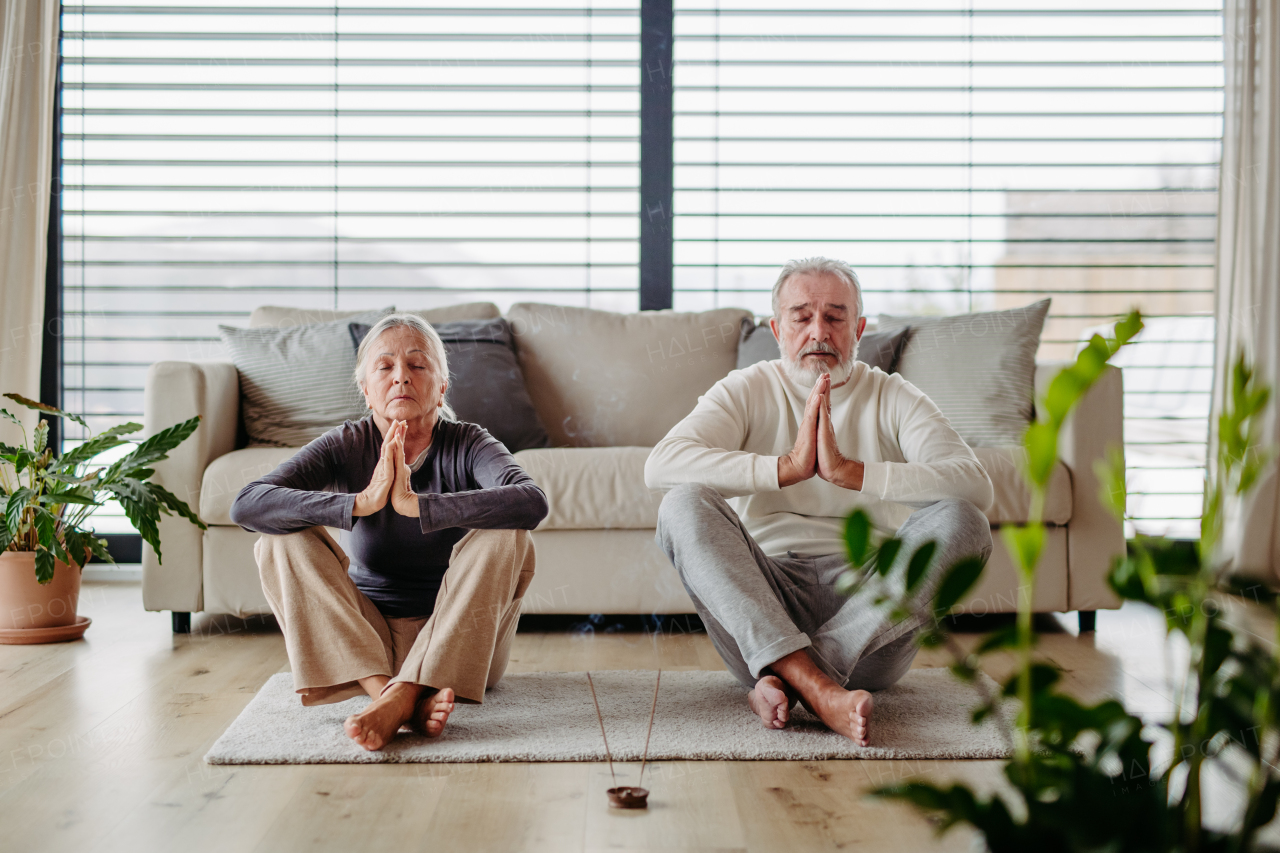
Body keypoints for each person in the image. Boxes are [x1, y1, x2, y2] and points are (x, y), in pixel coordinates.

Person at [645, 257, 994, 746]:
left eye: (835, 317)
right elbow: (660, 466)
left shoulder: (894, 396)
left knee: (965, 520)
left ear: (859, 329)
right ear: (777, 329)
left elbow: (976, 486)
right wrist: (783, 469)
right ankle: (821, 689)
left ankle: (797, 677)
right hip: (764, 606)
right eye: (801, 316)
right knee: (680, 504)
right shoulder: (747, 388)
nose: (819, 331)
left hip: (872, 612)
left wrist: (852, 473)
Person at [230, 313, 548, 751]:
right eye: (385, 367)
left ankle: (401, 692)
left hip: (460, 644)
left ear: (441, 386)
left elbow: (532, 501)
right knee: (278, 539)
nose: (401, 377)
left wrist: (418, 506)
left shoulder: (470, 442)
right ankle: (395, 695)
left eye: (418, 365)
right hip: (368, 644)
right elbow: (248, 503)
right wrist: (359, 503)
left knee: (510, 534)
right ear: (365, 389)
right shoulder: (346, 443)